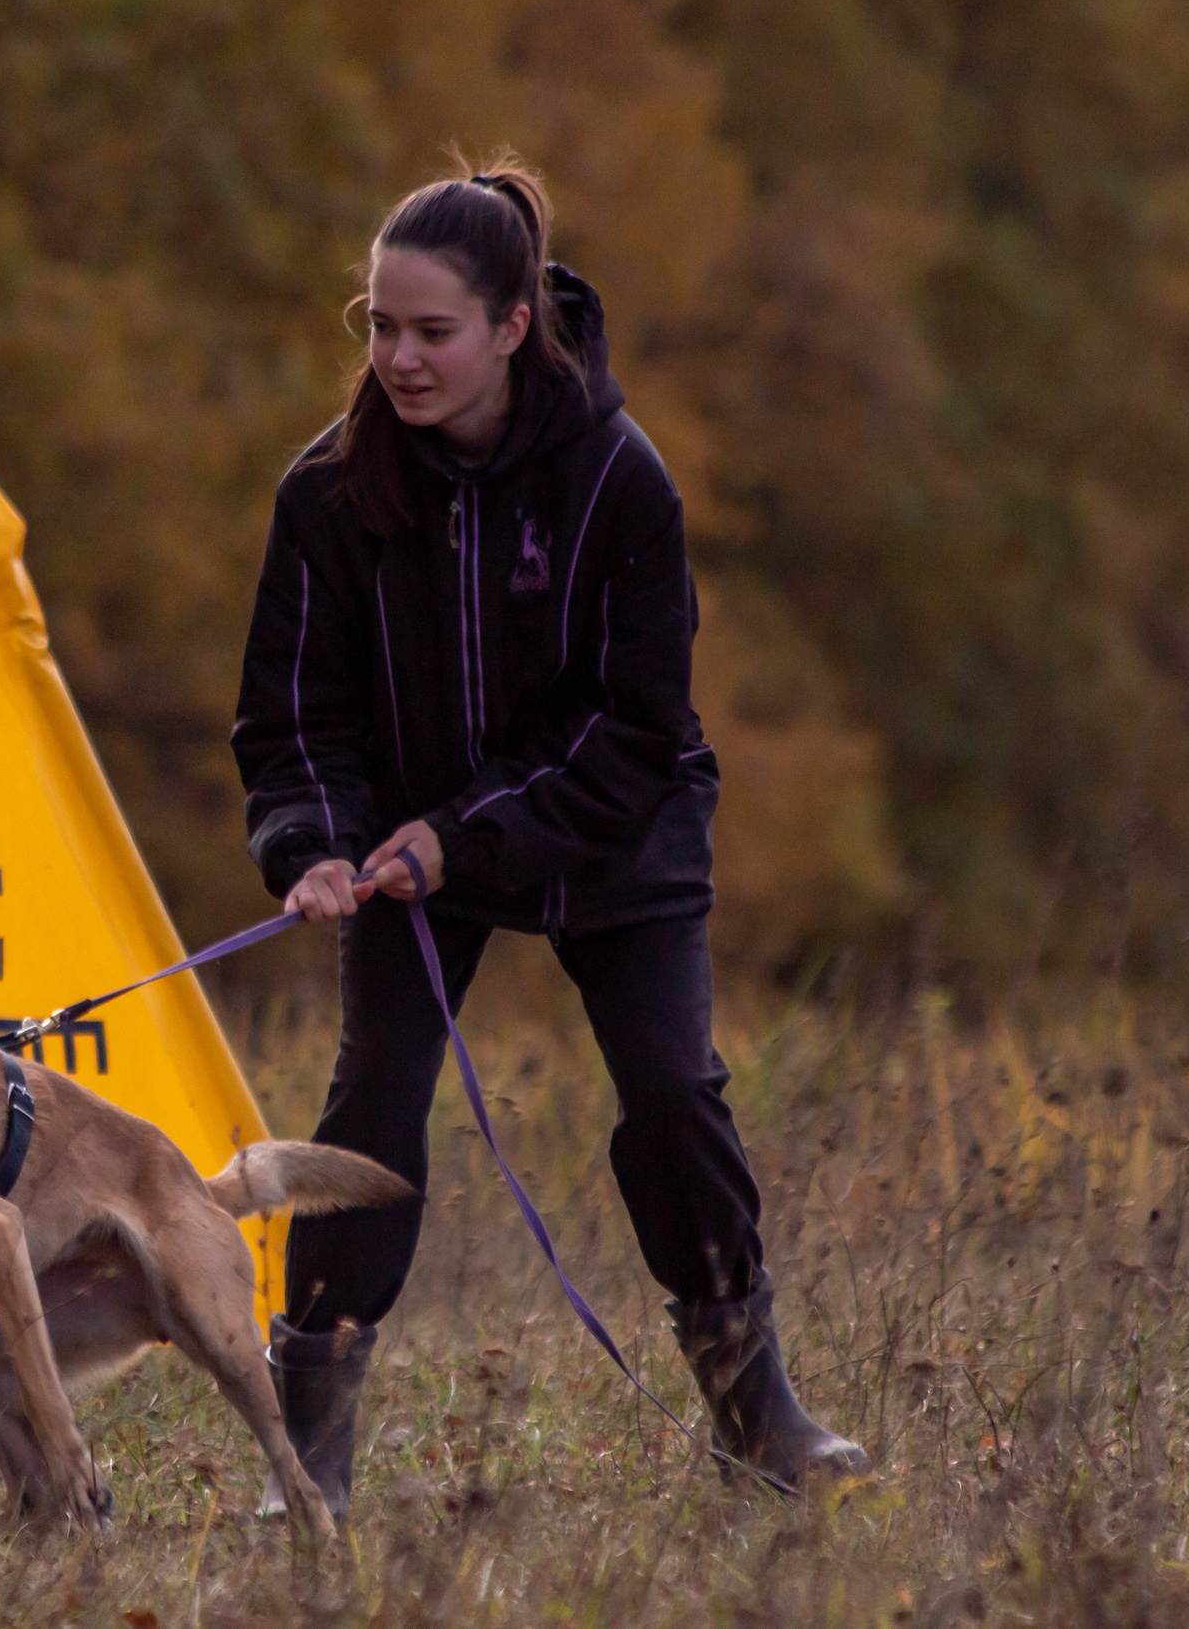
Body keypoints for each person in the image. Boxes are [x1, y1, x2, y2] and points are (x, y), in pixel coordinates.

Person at [232, 155, 868, 1517]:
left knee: (672, 1095)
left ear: (514, 324)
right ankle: (313, 1456)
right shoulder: (326, 493)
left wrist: (466, 834)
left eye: (431, 331)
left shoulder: (621, 482)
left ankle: (757, 1409)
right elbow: (293, 713)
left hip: (610, 827)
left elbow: (634, 729)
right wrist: (317, 845)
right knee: (368, 1107)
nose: (399, 358)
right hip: (409, 843)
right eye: (380, 328)